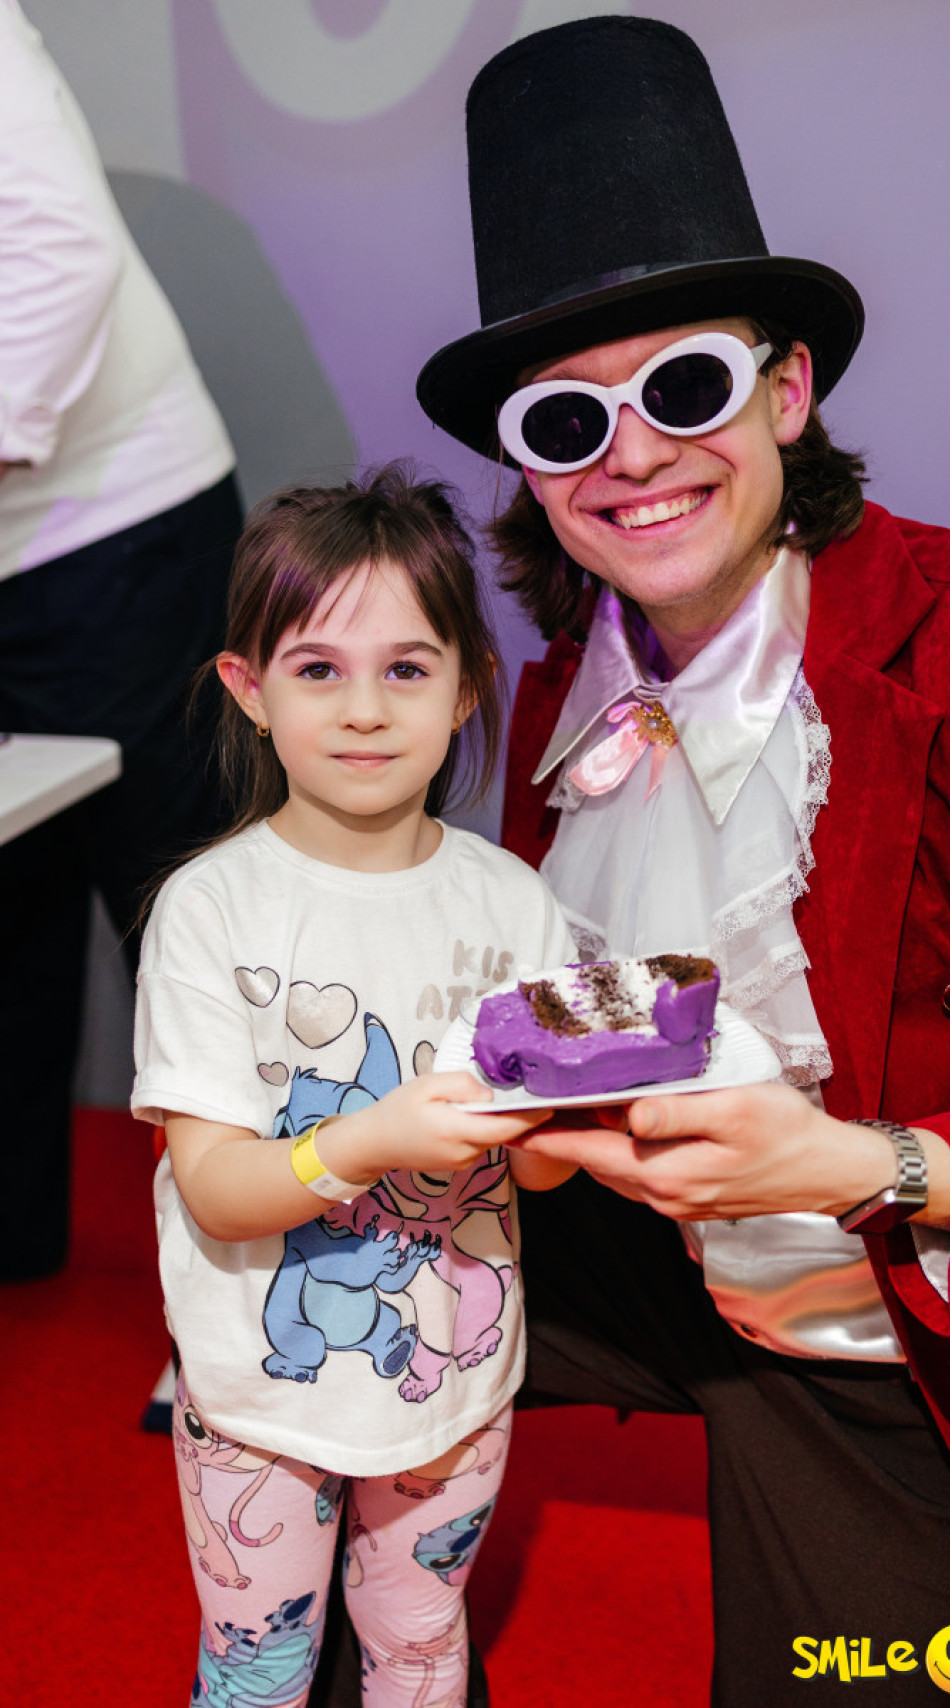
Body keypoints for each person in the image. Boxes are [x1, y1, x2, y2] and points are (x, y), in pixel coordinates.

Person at [414, 17, 950, 1704]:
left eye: (683, 388)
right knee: (305, 1299)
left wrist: (855, 1161)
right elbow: (587, 1002)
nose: (631, 457)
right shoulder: (568, 686)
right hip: (653, 1242)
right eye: (565, 418)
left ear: (789, 389)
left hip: (905, 1320)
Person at [130, 466, 575, 1708]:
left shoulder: (513, 902)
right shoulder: (209, 909)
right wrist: (374, 1137)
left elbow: (544, 1169)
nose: (366, 709)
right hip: (255, 1394)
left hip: (455, 1387)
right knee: (259, 1666)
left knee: (423, 1647)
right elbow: (218, 1190)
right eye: (319, 668)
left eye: (408, 668)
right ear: (250, 690)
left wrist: (574, 1110)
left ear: (466, 685)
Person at [0, 0, 242, 1279]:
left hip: (115, 521)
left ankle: (270, 1278)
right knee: (6, 917)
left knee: (184, 913)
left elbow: (59, 254)